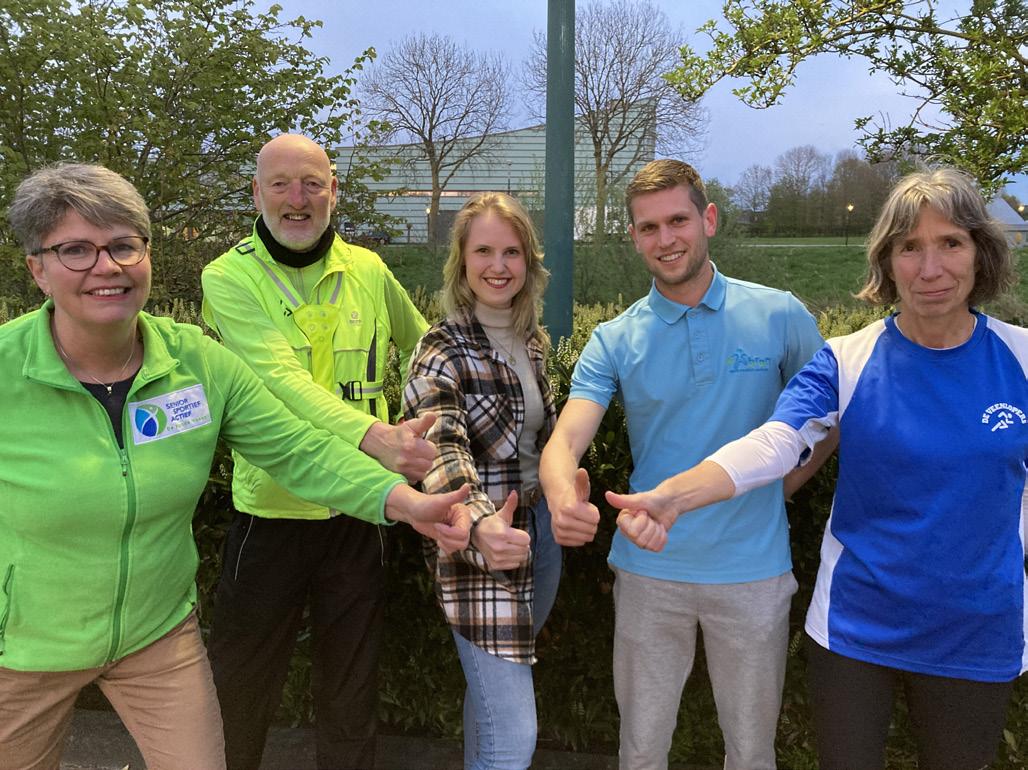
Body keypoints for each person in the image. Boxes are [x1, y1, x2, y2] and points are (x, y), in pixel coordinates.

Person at [0, 163, 469, 770]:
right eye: (75, 250)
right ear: (37, 268)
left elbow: (294, 447)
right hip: (23, 649)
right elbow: (284, 377)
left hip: (155, 639)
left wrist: (406, 502)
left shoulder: (195, 364)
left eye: (123, 245)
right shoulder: (7, 370)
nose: (107, 266)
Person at [608, 167, 1026, 770]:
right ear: (887, 261)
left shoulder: (1021, 358)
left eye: (950, 243)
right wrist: (674, 495)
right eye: (910, 247)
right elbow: (776, 442)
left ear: (980, 251)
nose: (930, 268)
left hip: (977, 630)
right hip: (856, 628)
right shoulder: (845, 359)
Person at [539, 159, 829, 770]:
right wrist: (564, 499)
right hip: (649, 573)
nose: (665, 239)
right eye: (649, 227)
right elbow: (565, 443)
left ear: (709, 219)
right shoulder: (614, 338)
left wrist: (779, 489)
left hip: (754, 573)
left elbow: (829, 419)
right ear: (633, 237)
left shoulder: (779, 314)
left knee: (751, 753)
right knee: (641, 751)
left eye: (678, 220)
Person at [200, 134, 434, 770]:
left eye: (311, 183)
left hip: (361, 511)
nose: (296, 199)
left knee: (351, 691)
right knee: (240, 685)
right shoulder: (228, 277)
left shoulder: (370, 270)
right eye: (280, 184)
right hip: (272, 512)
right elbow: (279, 380)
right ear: (256, 194)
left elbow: (428, 350)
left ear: (334, 191)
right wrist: (375, 438)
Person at [401, 192, 561, 770]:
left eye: (511, 252)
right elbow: (439, 448)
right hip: (475, 546)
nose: (498, 265)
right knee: (514, 733)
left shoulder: (533, 342)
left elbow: (542, 443)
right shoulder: (439, 348)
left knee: (491, 702)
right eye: (484, 251)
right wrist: (477, 523)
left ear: (529, 260)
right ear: (462, 262)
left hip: (538, 536)